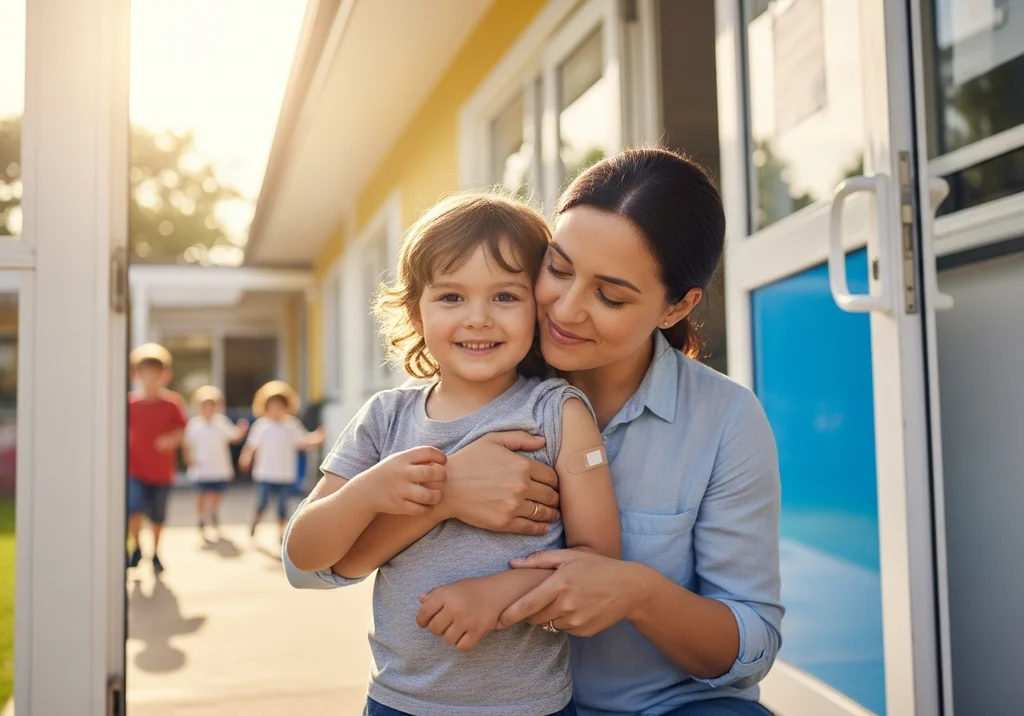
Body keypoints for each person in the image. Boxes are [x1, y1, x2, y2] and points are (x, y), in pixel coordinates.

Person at [284, 148, 783, 716]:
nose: (566, 311)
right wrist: (441, 496)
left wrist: (637, 592)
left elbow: (751, 637)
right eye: (560, 269)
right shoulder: (442, 391)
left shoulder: (720, 418)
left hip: (647, 706)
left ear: (676, 307)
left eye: (611, 295)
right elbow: (310, 565)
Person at [285, 192, 621, 716]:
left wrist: (499, 593)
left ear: (538, 307)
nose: (479, 318)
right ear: (415, 312)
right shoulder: (384, 418)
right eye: (451, 297)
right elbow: (304, 554)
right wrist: (368, 490)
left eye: (506, 297)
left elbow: (600, 560)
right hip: (399, 702)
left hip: (530, 705)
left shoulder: (558, 413)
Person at [128, 342, 188, 575]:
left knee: (158, 515)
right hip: (135, 469)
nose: (151, 379)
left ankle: (155, 552)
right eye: (146, 374)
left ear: (165, 376)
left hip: (161, 471)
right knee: (134, 508)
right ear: (137, 375)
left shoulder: (172, 403)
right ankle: (136, 547)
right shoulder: (129, 403)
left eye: (156, 374)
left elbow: (183, 431)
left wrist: (171, 440)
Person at [239, 380, 325, 541]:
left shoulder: (291, 425)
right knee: (262, 503)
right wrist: (246, 458)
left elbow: (303, 441)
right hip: (265, 473)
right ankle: (255, 522)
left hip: (284, 473)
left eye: (280, 406)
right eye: (272, 406)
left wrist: (317, 438)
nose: (276, 410)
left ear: (287, 407)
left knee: (282, 507)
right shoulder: (261, 426)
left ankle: (280, 532)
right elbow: (251, 446)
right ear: (265, 407)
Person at [184, 385, 249, 536]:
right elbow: (187, 444)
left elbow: (233, 437)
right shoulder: (194, 424)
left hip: (218, 467)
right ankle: (201, 517)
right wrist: (188, 458)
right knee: (201, 494)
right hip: (201, 467)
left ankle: (212, 512)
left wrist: (241, 431)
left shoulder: (221, 422)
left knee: (217, 493)